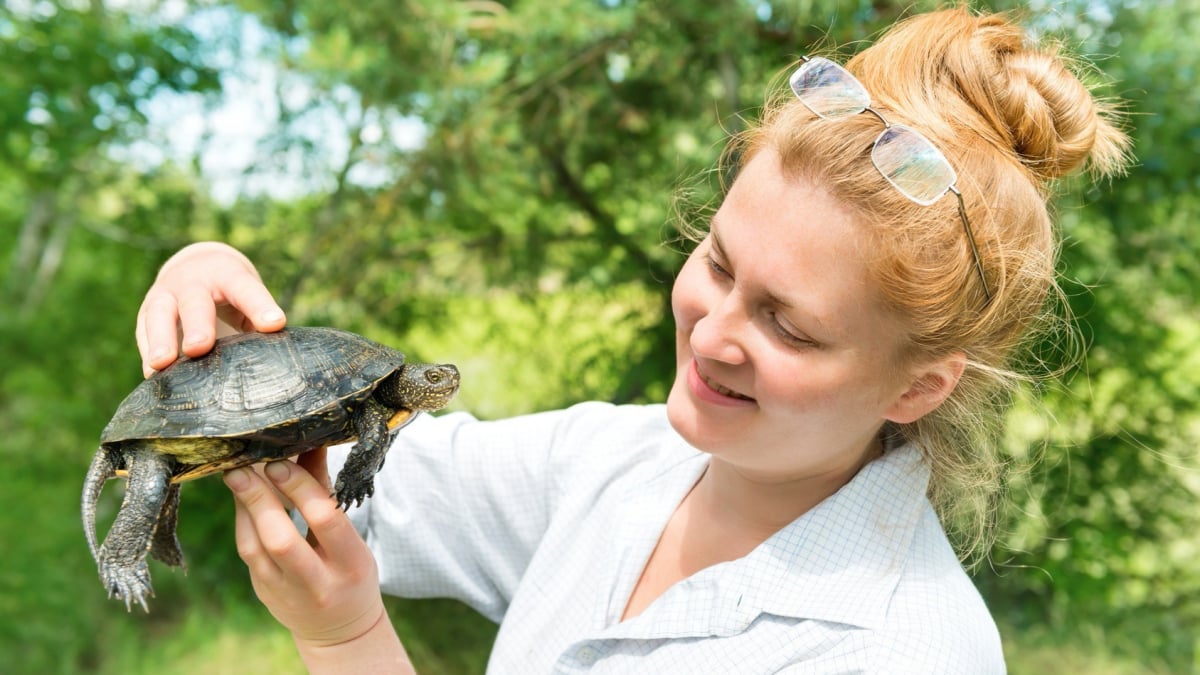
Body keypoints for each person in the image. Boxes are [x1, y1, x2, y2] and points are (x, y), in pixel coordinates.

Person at [133, 7, 1128, 673]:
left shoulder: (898, 652)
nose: (716, 332)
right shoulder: (619, 462)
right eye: (723, 264)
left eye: (789, 324)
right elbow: (354, 474)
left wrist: (347, 638)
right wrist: (227, 347)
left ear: (917, 387)